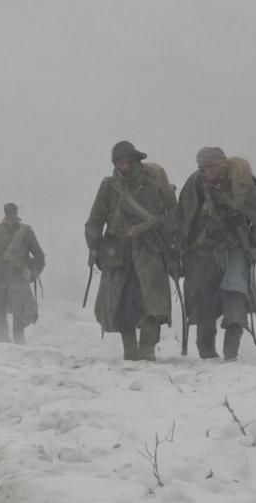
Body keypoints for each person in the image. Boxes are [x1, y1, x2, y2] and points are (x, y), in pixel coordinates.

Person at [177, 147, 256, 361]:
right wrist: (177, 252)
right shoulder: (195, 184)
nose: (207, 172)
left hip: (234, 246)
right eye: (203, 168)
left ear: (222, 166)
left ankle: (231, 354)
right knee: (202, 298)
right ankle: (207, 352)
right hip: (202, 250)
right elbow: (182, 218)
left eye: (211, 167)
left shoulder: (241, 185)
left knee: (235, 292)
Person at [85, 141, 180, 361]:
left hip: (150, 249)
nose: (124, 166)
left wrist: (174, 246)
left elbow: (173, 215)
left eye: (128, 161)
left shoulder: (154, 182)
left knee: (152, 304)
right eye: (120, 162)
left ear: (136, 161)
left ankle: (147, 350)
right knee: (121, 303)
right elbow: (95, 220)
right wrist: (95, 247)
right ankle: (130, 351)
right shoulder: (109, 187)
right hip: (118, 253)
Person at [0, 202, 45, 344]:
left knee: (19, 308)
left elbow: (39, 256)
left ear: (17, 212)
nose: (12, 215)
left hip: (18, 275)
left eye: (13, 212)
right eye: (9, 213)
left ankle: (19, 339)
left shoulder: (26, 231)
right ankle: (1, 340)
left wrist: (32, 273)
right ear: (5, 213)